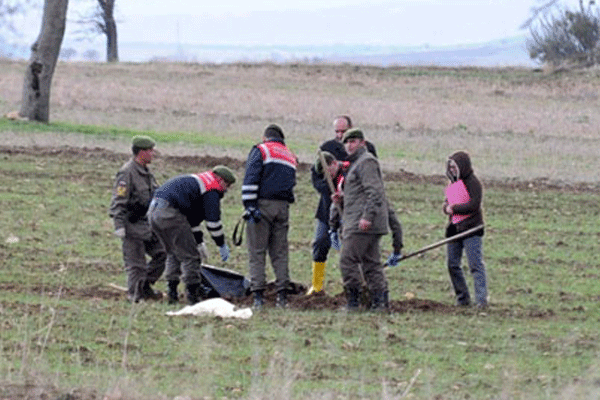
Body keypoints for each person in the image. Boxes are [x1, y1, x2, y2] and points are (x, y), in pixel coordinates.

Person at [148, 165, 236, 305]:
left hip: (154, 212)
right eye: (227, 185)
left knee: (173, 252)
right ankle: (193, 295)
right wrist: (221, 244)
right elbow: (213, 222)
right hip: (171, 214)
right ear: (220, 179)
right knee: (191, 257)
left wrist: (199, 241)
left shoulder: (197, 181)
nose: (227, 189)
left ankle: (172, 292)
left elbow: (191, 221)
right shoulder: (211, 189)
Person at [332, 128, 399, 311]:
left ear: (363, 142)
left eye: (353, 141)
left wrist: (367, 217)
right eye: (346, 142)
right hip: (361, 220)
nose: (349, 145)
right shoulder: (356, 164)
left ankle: (355, 302)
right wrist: (342, 199)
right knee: (371, 264)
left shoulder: (366, 162)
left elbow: (375, 192)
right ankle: (379, 303)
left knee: (347, 260)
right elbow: (361, 194)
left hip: (361, 223)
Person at [241, 124, 297, 309]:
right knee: (280, 253)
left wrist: (249, 206)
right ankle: (282, 296)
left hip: (262, 206)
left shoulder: (261, 149)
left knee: (257, 252)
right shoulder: (290, 155)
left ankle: (258, 296)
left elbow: (251, 177)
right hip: (283, 208)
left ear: (266, 137)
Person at [109, 135, 166, 302]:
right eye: (150, 151)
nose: (153, 154)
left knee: (163, 254)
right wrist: (119, 224)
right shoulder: (127, 173)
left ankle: (145, 287)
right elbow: (119, 200)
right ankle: (134, 295)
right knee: (136, 264)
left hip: (148, 223)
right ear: (141, 152)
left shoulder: (147, 173)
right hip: (132, 224)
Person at [442, 151, 487, 308]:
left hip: (471, 230)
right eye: (450, 168)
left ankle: (481, 300)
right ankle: (463, 298)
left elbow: (473, 205)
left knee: (475, 265)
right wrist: (447, 208)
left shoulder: (473, 183)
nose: (453, 171)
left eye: (455, 167)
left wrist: (454, 209)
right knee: (452, 264)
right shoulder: (452, 185)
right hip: (454, 229)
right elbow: (446, 203)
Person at [306, 151, 350, 295]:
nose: (327, 177)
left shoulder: (349, 171)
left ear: (334, 164)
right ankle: (317, 286)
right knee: (320, 243)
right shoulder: (324, 177)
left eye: (328, 172)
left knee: (349, 251)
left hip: (348, 216)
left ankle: (352, 287)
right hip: (325, 215)